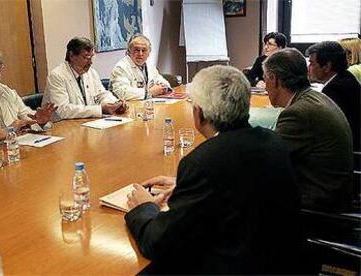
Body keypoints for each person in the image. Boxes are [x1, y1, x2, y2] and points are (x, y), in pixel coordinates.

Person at [125, 65, 302, 274]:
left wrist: (143, 207)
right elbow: (238, 183)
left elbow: (157, 243)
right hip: (281, 261)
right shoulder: (272, 140)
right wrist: (187, 187)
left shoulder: (202, 162)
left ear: (198, 114)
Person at [263, 48, 353, 212]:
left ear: (274, 80)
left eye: (265, 79)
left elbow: (267, 159)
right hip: (336, 192)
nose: (265, 88)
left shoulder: (298, 113)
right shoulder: (315, 97)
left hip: (318, 206)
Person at [42, 37, 127, 121]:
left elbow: (102, 95)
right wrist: (100, 109)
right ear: (72, 56)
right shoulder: (57, 76)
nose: (90, 62)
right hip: (62, 126)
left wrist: (115, 104)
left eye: (91, 57)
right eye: (86, 58)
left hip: (86, 122)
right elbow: (63, 110)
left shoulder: (91, 73)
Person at [306, 41, 361, 152]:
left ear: (327, 66)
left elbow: (324, 129)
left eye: (312, 63)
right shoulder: (345, 76)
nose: (308, 68)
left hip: (347, 153)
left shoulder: (335, 90)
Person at [109, 34, 171, 100]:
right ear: (129, 51)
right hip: (127, 107)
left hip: (144, 104)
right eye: (137, 50)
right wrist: (150, 92)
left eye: (144, 50)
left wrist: (163, 87)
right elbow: (122, 93)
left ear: (149, 52)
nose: (140, 54)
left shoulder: (149, 66)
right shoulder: (121, 68)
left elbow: (161, 81)